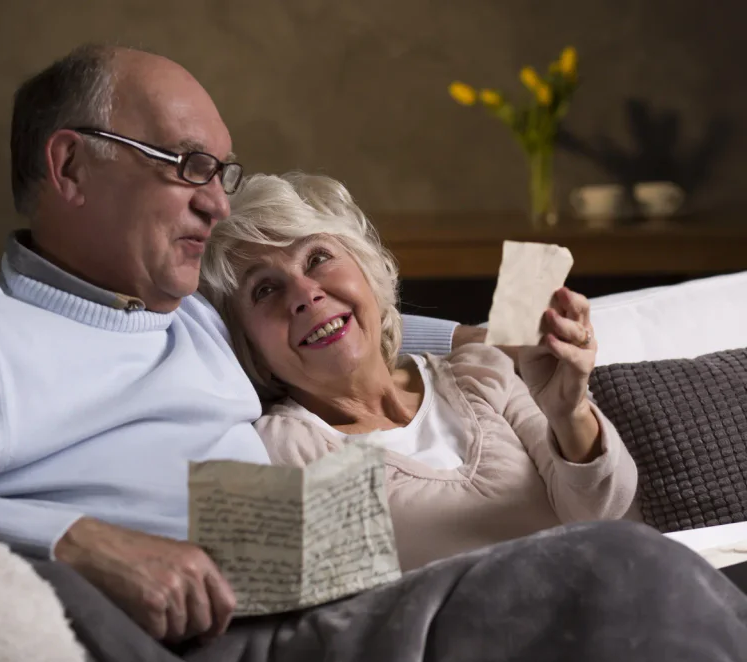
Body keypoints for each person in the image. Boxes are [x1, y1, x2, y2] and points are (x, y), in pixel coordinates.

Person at [0, 43, 747, 662]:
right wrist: (76, 538)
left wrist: (497, 339)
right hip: (219, 647)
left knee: (652, 580)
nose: (215, 199)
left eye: (223, 169)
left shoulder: (185, 316)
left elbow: (354, 325)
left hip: (326, 603)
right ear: (69, 165)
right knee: (624, 571)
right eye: (187, 166)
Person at [197, 172, 639, 570]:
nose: (305, 294)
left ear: (367, 272)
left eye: (316, 259)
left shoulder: (481, 373)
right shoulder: (280, 451)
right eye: (265, 289)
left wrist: (570, 413)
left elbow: (605, 510)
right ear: (247, 346)